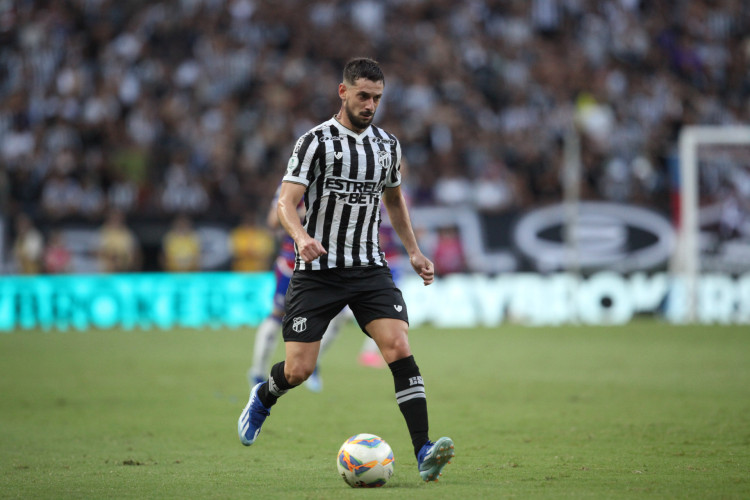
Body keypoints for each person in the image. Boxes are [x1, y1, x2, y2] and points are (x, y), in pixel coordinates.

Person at [238, 57, 454, 482]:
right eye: (363, 96)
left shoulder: (387, 146)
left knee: (397, 345)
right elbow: (285, 201)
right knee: (298, 369)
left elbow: (394, 200)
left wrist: (413, 250)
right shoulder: (314, 142)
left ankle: (424, 449)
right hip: (317, 271)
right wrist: (301, 238)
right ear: (343, 92)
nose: (370, 105)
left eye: (377, 98)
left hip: (368, 267)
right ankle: (264, 396)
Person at [247, 189, 352, 393]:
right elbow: (273, 221)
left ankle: (313, 363)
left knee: (341, 314)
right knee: (279, 314)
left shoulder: (337, 177)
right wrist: (305, 212)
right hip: (293, 263)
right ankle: (258, 372)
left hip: (326, 264)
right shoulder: (295, 180)